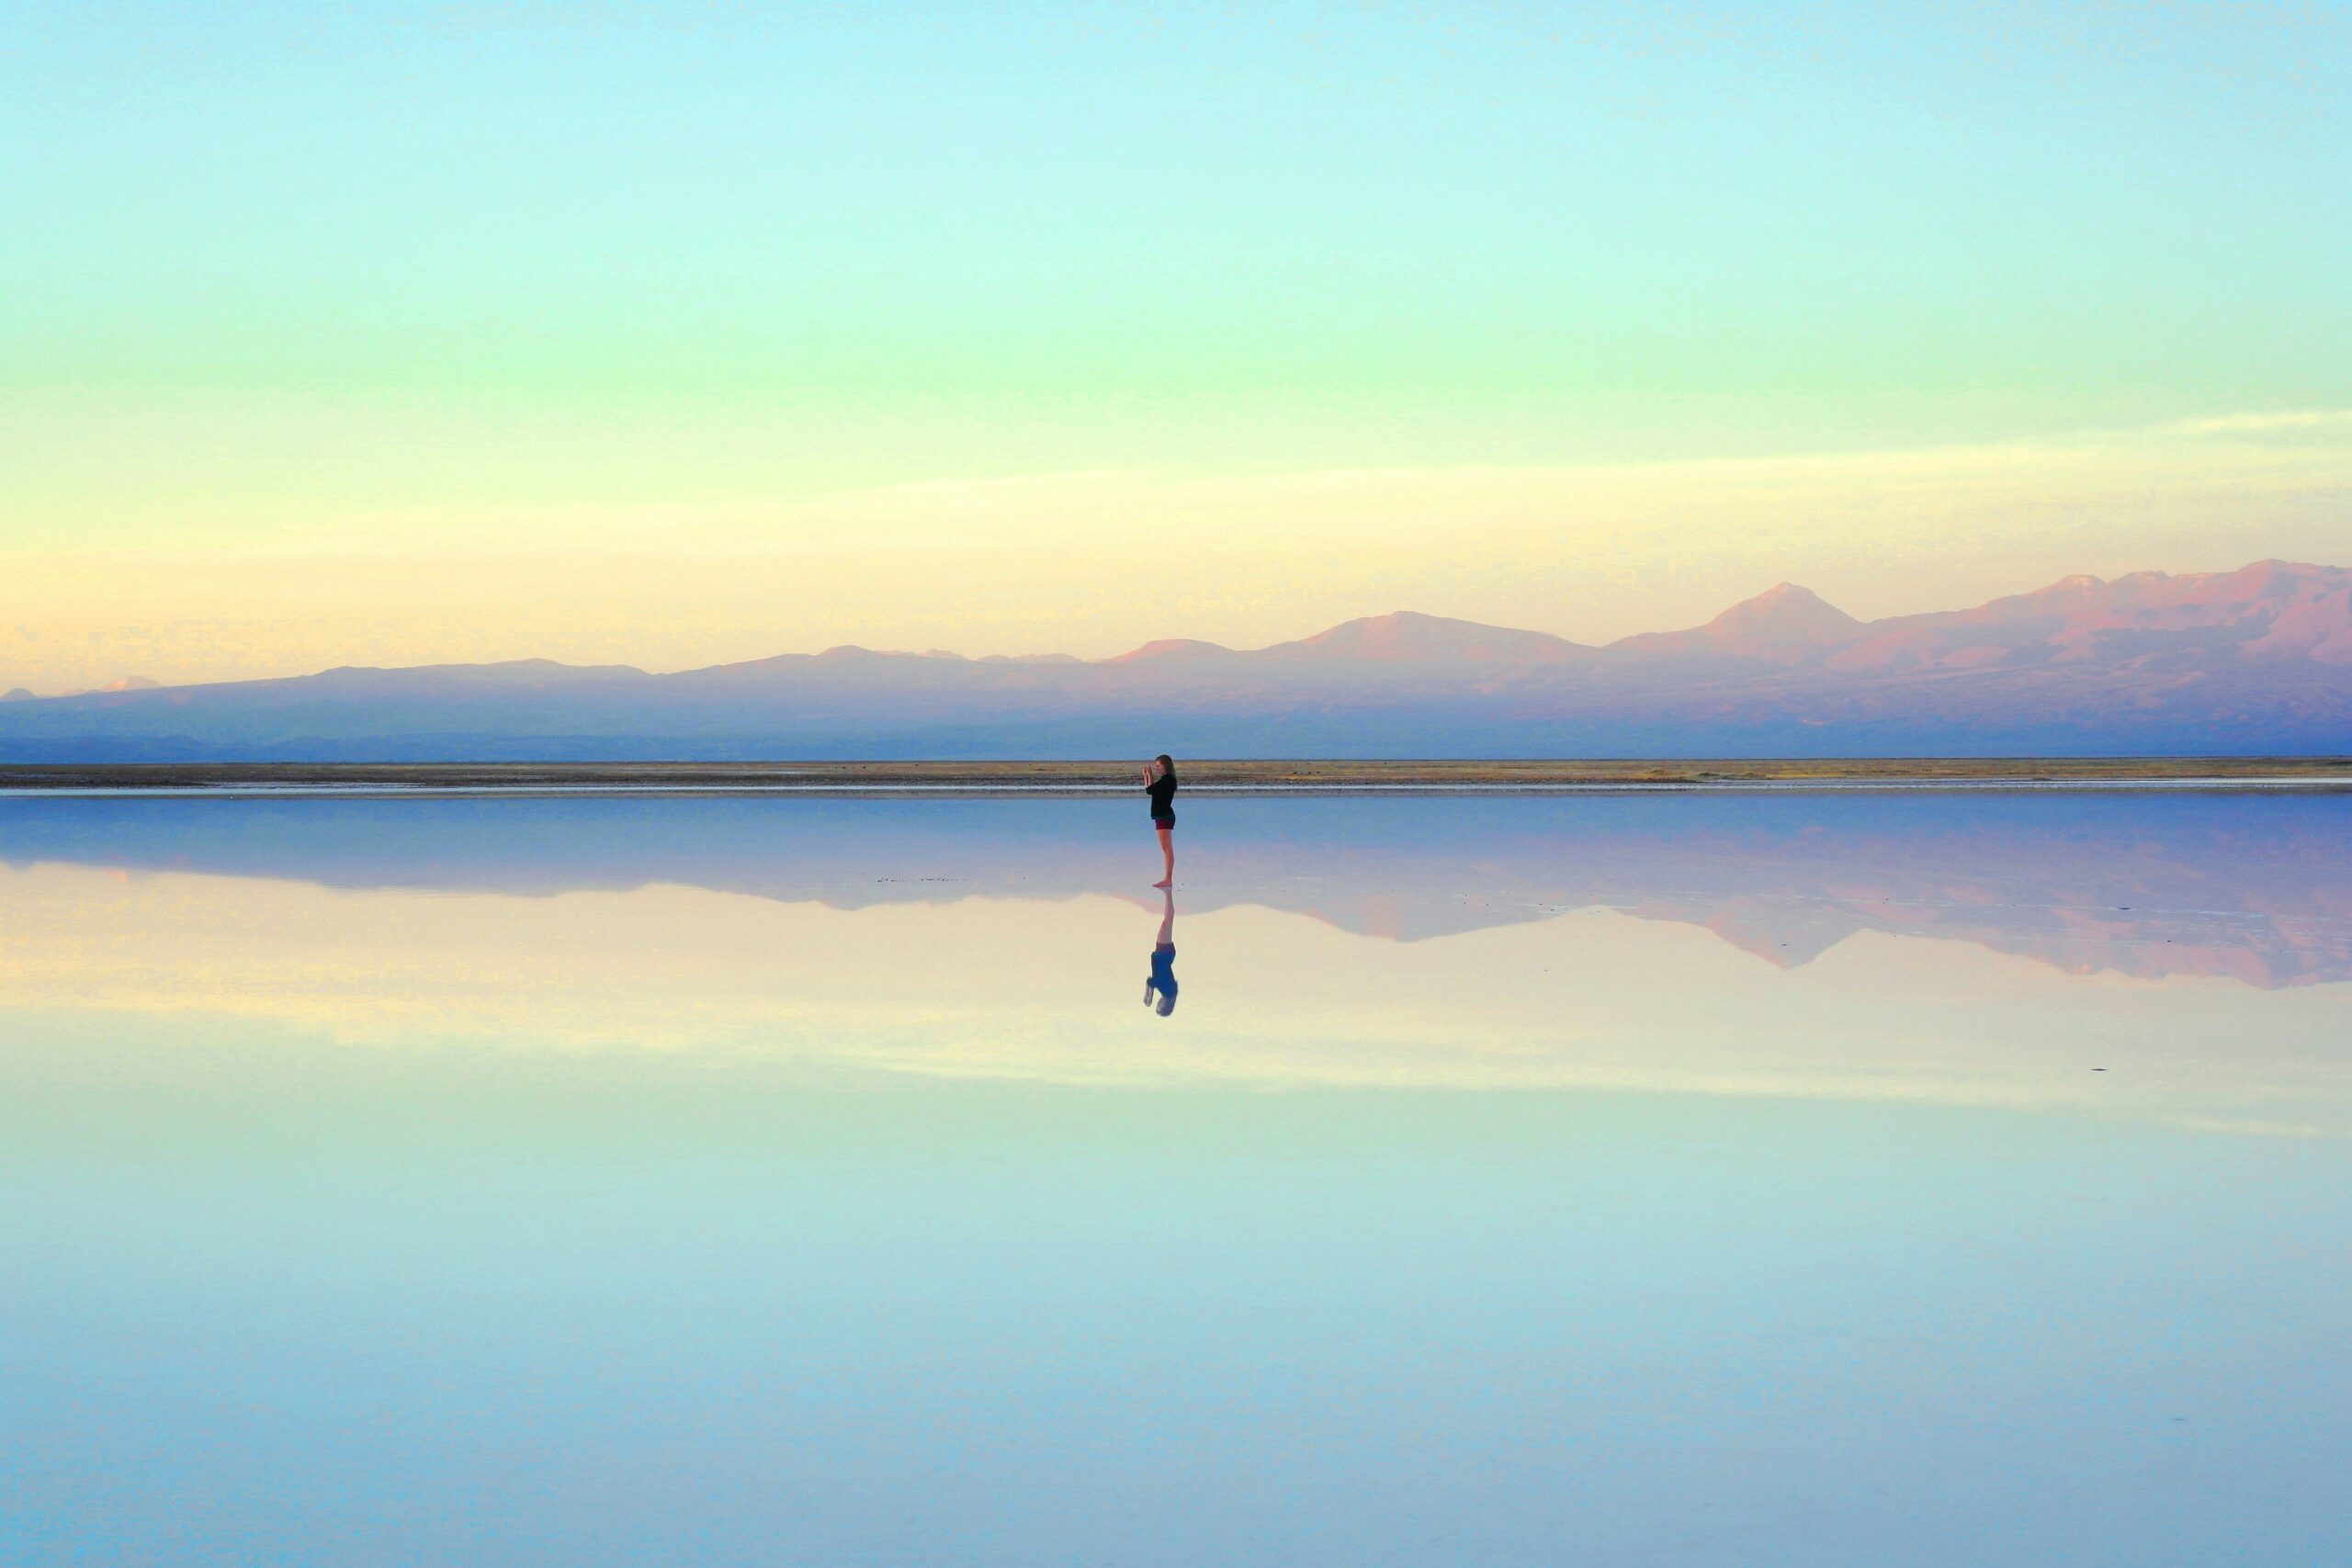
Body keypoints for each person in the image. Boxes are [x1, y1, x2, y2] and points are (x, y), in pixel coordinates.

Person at [1141, 753, 1177, 887]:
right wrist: (1148, 776)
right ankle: (1167, 879)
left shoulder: (1168, 780)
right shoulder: (1165, 780)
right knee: (1166, 848)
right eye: (1156, 766)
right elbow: (1151, 791)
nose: (1158, 768)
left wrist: (1148, 775)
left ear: (1165, 765)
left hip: (1164, 816)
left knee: (1167, 849)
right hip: (1162, 816)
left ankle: (1168, 879)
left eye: (1159, 766)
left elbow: (1149, 790)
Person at [1144, 886, 1179, 1017]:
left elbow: (1152, 982)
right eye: (1158, 1008)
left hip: (1164, 954)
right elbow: (1152, 981)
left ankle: (1167, 892)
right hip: (1164, 954)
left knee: (1167, 921)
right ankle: (1168, 892)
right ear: (1164, 1007)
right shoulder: (1168, 991)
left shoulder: (1168, 992)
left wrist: (1149, 995)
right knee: (1167, 921)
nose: (1157, 1006)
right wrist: (1148, 997)